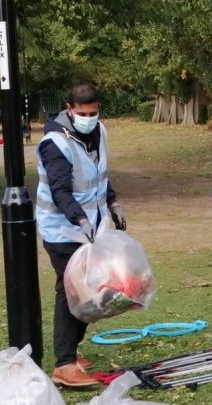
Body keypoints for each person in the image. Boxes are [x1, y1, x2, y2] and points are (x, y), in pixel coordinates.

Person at [35, 83, 127, 388]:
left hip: (90, 229)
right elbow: (60, 191)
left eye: (93, 113)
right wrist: (80, 219)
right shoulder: (55, 144)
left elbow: (99, 175)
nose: (89, 118)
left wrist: (113, 204)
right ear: (69, 109)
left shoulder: (99, 132)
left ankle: (71, 352)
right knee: (71, 289)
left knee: (88, 290)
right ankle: (64, 364)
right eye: (82, 114)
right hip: (62, 231)